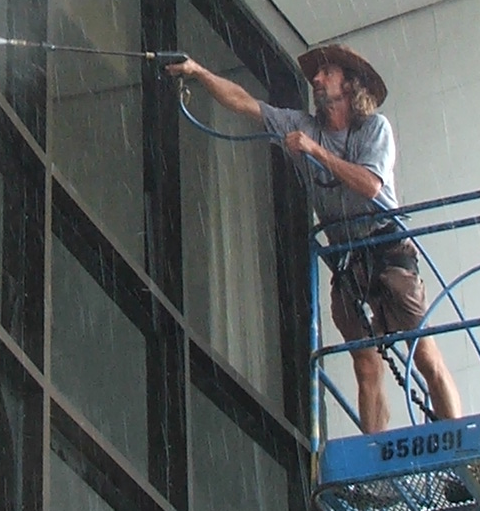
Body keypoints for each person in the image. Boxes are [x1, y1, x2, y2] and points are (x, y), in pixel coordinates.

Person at [168, 42, 462, 432]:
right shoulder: (301, 126)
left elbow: (370, 186)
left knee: (422, 352)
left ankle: (460, 445)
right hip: (347, 258)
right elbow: (244, 103)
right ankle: (375, 459)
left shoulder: (373, 129)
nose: (317, 81)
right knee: (364, 361)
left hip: (386, 245)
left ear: (349, 84)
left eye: (327, 73)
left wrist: (315, 152)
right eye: (317, 75)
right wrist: (201, 74)